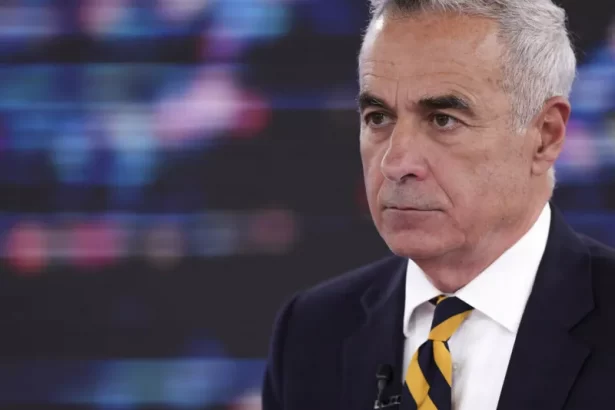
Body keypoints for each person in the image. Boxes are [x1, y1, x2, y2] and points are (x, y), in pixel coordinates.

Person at [262, 0, 615, 409]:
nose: (395, 163)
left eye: (443, 119)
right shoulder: (311, 332)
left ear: (545, 135)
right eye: (378, 117)